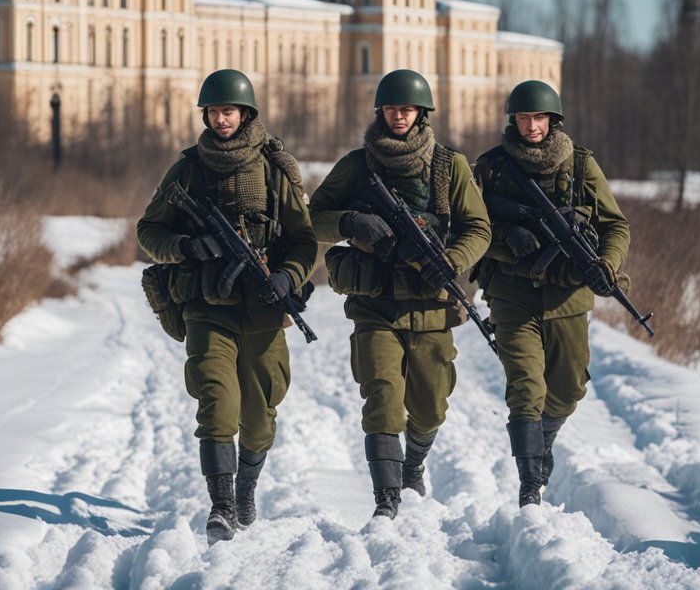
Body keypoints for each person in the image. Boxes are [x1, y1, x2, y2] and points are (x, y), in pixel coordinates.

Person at [136, 69, 316, 545]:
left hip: (261, 308)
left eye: (229, 111)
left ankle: (246, 486)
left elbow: (303, 240)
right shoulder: (189, 169)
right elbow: (148, 232)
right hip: (206, 305)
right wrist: (186, 247)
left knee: (259, 415)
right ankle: (221, 506)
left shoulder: (275, 168)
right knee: (216, 401)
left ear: (246, 114)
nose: (221, 119)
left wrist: (287, 276)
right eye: (214, 112)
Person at [309, 69, 491, 520]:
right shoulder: (357, 165)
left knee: (429, 406)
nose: (399, 116)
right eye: (391, 109)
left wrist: (453, 259)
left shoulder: (451, 166)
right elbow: (312, 219)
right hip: (375, 305)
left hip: (432, 306)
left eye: (407, 109)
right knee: (382, 396)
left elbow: (479, 227)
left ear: (422, 113)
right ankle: (386, 500)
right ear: (380, 112)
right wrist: (350, 222)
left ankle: (413, 466)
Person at [474, 80, 630, 506]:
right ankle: (530, 486)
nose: (531, 125)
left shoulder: (580, 166)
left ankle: (540, 446)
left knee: (567, 388)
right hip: (511, 293)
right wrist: (508, 235)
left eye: (539, 117)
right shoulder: (491, 168)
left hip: (567, 296)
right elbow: (469, 227)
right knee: (526, 385)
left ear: (552, 120)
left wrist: (607, 266)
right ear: (514, 120)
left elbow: (615, 225)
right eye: (524, 118)